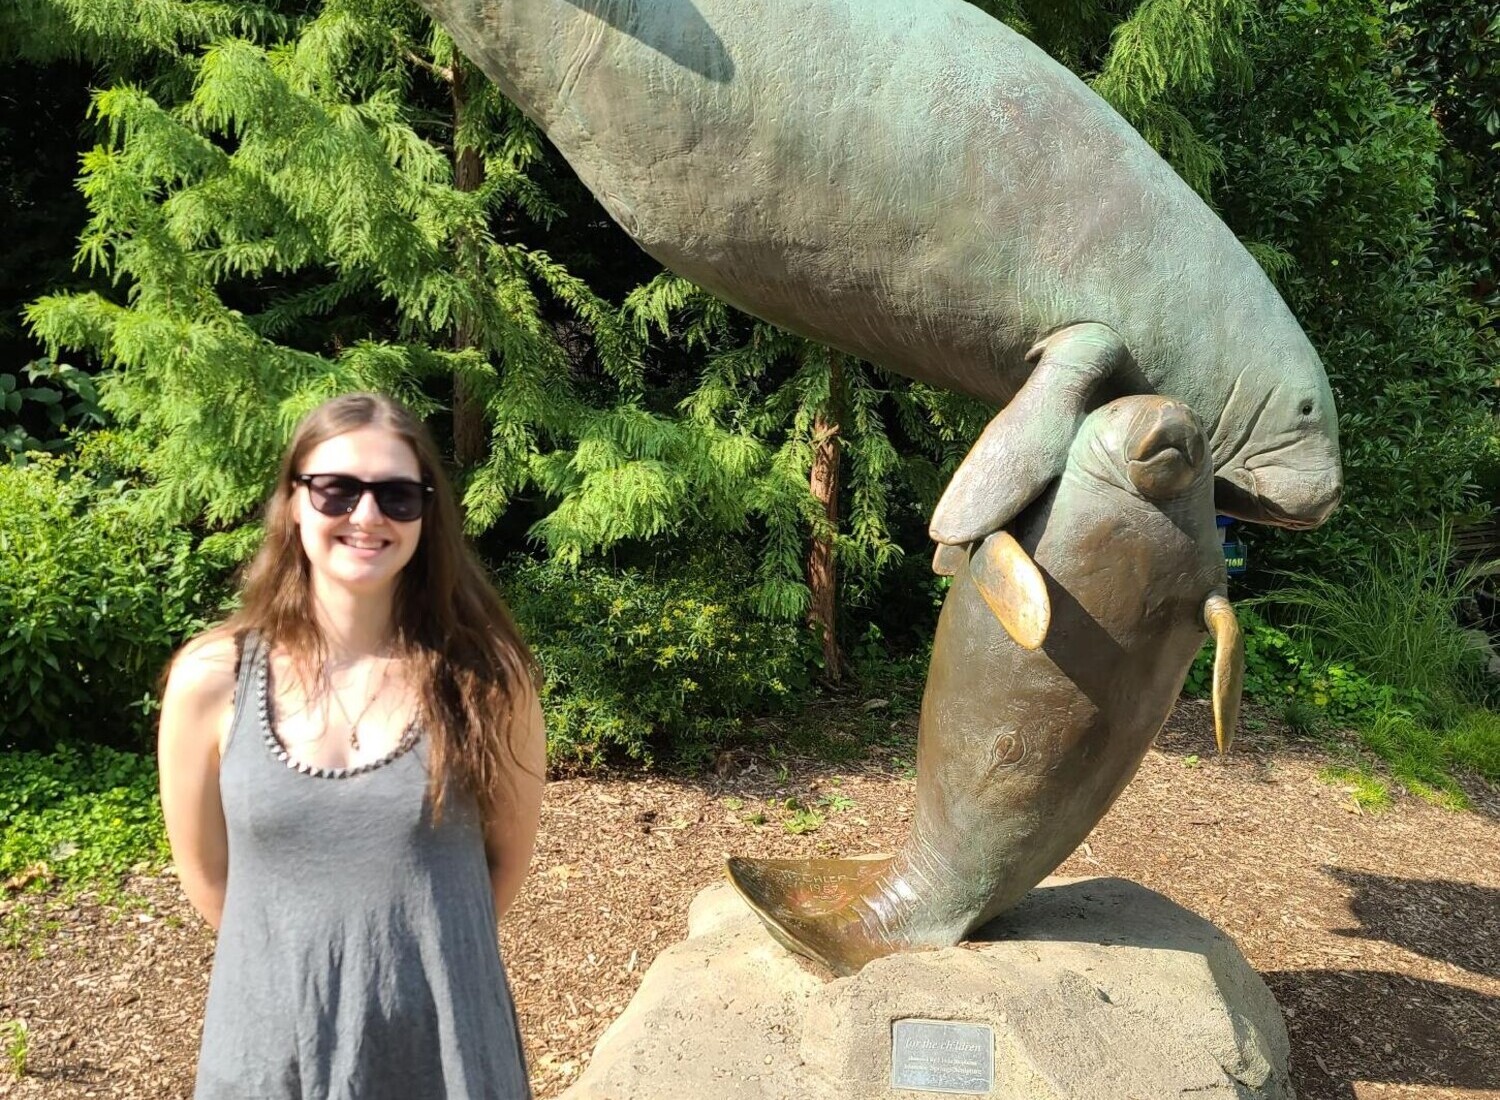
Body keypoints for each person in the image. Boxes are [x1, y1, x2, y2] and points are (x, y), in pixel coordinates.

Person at [157, 392, 545, 1099]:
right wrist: (303, 969)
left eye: (397, 496)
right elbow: (209, 879)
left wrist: (402, 968)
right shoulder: (211, 680)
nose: (366, 516)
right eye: (337, 489)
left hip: (446, 1052)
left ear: (427, 515)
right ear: (294, 501)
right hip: (271, 1052)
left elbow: (503, 865)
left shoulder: (488, 678)